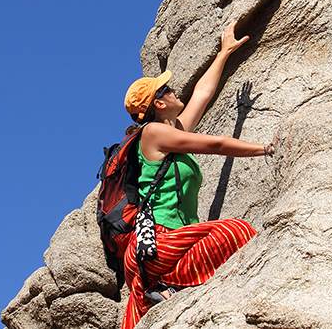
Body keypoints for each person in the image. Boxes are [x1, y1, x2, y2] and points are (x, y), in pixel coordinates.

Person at [117, 21, 274, 329]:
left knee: (227, 245)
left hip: (172, 247)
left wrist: (224, 53)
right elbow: (214, 144)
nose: (177, 91)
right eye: (169, 89)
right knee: (236, 232)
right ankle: (161, 287)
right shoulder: (153, 133)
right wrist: (265, 148)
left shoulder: (169, 132)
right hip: (157, 245)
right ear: (159, 103)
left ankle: (164, 290)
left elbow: (202, 94)